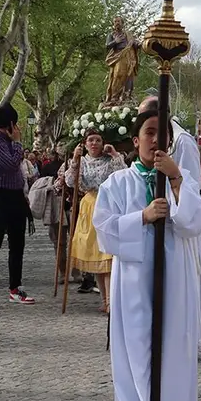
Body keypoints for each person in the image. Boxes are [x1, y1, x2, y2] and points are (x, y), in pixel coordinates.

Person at [92, 108, 201, 401]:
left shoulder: (181, 177)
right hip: (133, 278)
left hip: (173, 275)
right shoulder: (118, 184)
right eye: (149, 132)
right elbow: (104, 230)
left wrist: (176, 183)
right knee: (135, 352)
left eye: (162, 134)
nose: (156, 140)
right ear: (135, 139)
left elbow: (195, 223)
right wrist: (140, 218)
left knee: (172, 347)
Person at [0, 106, 35, 310]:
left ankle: (15, 287)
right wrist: (18, 142)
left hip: (15, 196)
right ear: (11, 124)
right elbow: (11, 163)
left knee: (17, 244)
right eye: (16, 124)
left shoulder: (8, 140)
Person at [66, 129, 126, 313]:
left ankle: (111, 301)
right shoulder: (81, 161)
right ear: (84, 144)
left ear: (103, 143)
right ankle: (104, 299)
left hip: (107, 204)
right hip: (89, 206)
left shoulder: (110, 160)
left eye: (97, 140)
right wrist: (75, 160)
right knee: (95, 257)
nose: (94, 143)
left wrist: (115, 154)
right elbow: (69, 181)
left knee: (106, 256)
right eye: (90, 140)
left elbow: (124, 175)